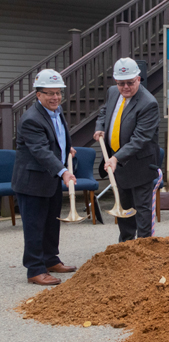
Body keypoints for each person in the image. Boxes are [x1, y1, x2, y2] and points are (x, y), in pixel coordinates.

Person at [11, 69, 78, 286]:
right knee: (34, 226)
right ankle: (35, 269)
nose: (55, 97)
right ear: (37, 94)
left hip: (50, 179)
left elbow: (55, 142)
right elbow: (40, 151)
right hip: (32, 183)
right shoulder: (31, 119)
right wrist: (64, 171)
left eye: (58, 93)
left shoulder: (56, 112)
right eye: (50, 93)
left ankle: (51, 260)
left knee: (51, 224)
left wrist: (67, 149)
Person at [94, 57, 160, 242]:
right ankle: (126, 244)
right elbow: (104, 111)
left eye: (130, 83)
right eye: (121, 83)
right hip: (119, 165)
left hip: (140, 164)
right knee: (123, 206)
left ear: (138, 79)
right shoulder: (113, 92)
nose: (125, 88)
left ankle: (144, 246)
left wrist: (116, 158)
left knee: (142, 209)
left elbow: (140, 139)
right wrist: (99, 126)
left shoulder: (149, 103)